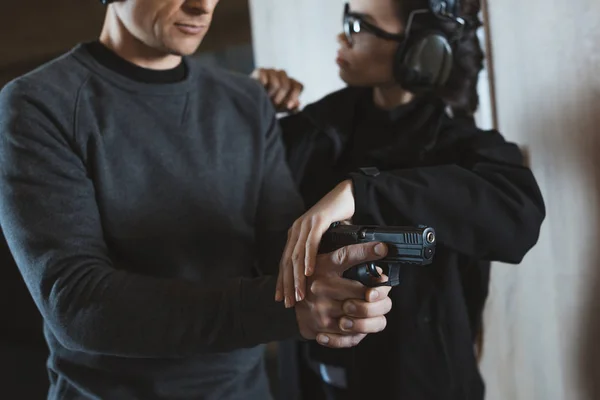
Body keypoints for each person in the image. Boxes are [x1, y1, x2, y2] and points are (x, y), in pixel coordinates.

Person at [0, 1, 396, 399]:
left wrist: (347, 270)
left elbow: (286, 249)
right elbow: (76, 301)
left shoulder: (245, 100)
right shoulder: (38, 104)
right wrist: (287, 310)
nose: (201, 6)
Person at [251, 0, 546, 399]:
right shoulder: (317, 131)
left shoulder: (463, 150)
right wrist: (250, 109)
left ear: (423, 49)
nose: (342, 36)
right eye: (346, 20)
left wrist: (362, 192)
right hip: (308, 382)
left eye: (359, 25)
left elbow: (518, 217)